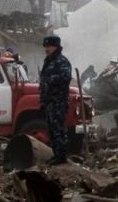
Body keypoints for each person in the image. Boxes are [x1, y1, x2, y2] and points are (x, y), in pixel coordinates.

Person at [39, 35, 72, 165]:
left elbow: (66, 78)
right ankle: (56, 155)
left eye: (49, 46)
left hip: (58, 101)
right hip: (49, 102)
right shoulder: (48, 61)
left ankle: (61, 157)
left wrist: (51, 80)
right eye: (45, 47)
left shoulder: (61, 61)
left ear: (56, 46)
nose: (47, 49)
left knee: (59, 130)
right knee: (52, 129)